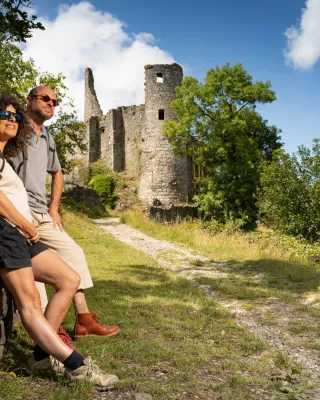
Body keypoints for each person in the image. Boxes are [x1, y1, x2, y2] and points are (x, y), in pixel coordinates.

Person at [0, 92, 118, 387]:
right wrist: (24, 222)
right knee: (30, 302)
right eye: (6, 114)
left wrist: (48, 212)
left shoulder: (8, 154)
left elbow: (55, 172)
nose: (13, 120)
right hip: (7, 231)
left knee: (68, 278)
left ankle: (42, 354)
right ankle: (76, 364)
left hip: (21, 229)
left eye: (15, 116)